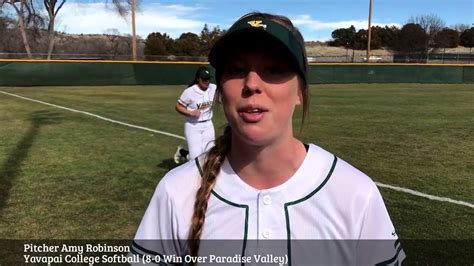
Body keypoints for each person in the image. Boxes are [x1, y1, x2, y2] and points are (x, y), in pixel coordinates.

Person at [132, 12, 405, 265]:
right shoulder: (176, 190)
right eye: (237, 70)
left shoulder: (355, 194)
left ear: (300, 91)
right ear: (221, 91)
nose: (252, 84)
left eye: (273, 70)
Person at [174, 66, 217, 163]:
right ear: (198, 79)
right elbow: (178, 106)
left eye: (208, 79)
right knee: (195, 158)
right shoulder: (189, 92)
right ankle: (182, 152)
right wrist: (190, 113)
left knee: (210, 155)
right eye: (204, 79)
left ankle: (205, 177)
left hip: (208, 125)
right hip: (193, 126)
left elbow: (220, 96)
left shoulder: (213, 88)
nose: (207, 81)